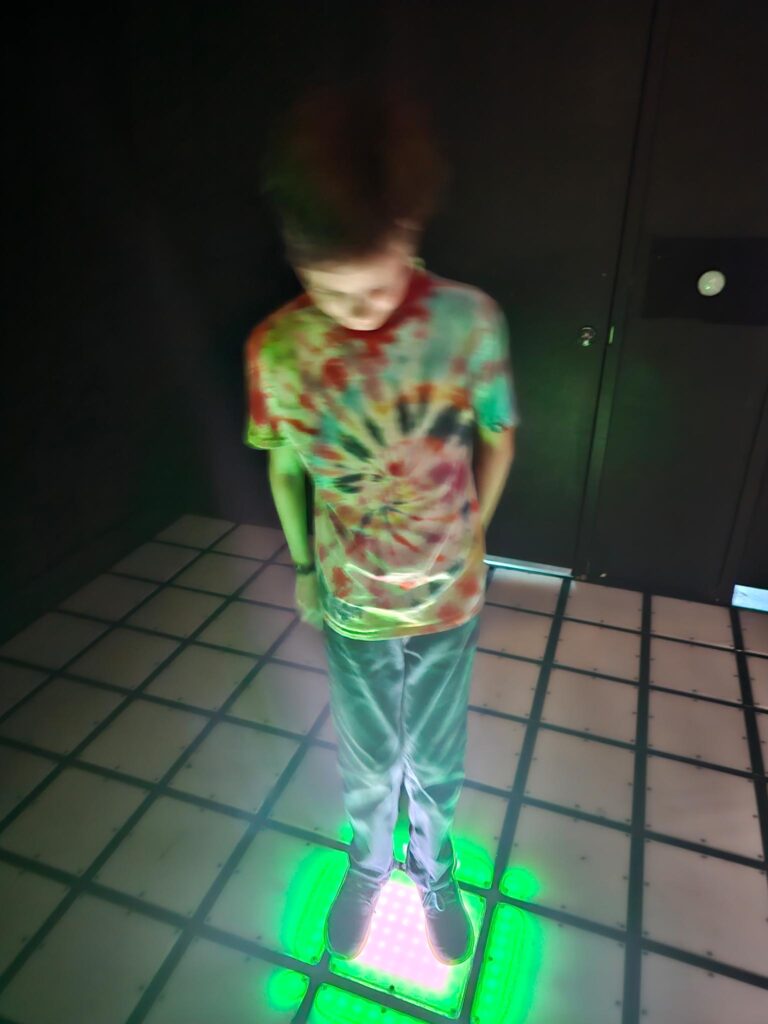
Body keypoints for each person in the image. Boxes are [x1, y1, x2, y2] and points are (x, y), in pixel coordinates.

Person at [243, 75, 520, 966]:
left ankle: (436, 870)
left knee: (436, 759)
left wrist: (477, 533)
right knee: (367, 761)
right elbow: (284, 464)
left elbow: (499, 437)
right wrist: (303, 568)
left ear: (407, 233)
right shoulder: (278, 347)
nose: (352, 314)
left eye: (369, 291)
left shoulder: (467, 321)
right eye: (328, 291)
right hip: (350, 597)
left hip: (448, 597)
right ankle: (367, 866)